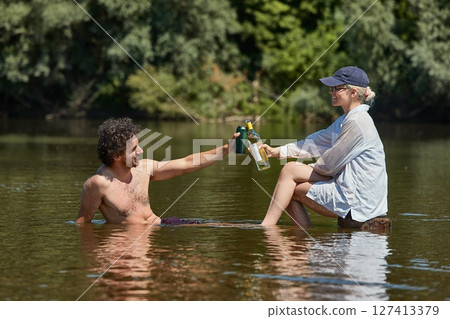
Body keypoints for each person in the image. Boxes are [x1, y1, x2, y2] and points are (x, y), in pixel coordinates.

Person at [261, 66, 388, 227]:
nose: (331, 92)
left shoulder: (357, 122)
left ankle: (266, 228)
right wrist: (277, 152)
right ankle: (300, 240)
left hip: (359, 203)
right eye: (331, 88)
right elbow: (315, 143)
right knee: (289, 186)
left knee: (289, 170)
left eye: (336, 88)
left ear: (353, 92)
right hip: (351, 192)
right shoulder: (346, 119)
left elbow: (330, 164)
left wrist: (299, 169)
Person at [76, 117, 238, 224]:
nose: (140, 151)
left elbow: (186, 163)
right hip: (128, 244)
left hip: (162, 226)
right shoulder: (98, 183)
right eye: (133, 149)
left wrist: (227, 149)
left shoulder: (144, 168)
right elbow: (82, 225)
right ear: (116, 156)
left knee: (225, 226)